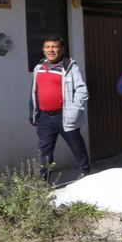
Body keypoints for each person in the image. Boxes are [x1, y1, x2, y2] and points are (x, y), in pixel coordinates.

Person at [30, 35, 91, 181]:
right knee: (44, 150)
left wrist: (75, 111)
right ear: (43, 50)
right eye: (48, 47)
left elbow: (82, 90)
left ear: (61, 49)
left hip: (65, 115)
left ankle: (85, 175)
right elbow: (34, 91)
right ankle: (44, 182)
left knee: (77, 146)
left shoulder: (70, 67)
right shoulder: (39, 68)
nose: (51, 50)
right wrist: (33, 112)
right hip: (44, 117)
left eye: (54, 47)